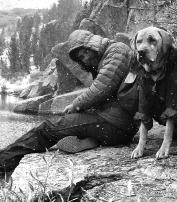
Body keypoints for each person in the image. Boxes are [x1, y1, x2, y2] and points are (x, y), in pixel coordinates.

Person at [0, 30, 139, 175]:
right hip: (117, 124)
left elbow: (101, 88)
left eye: (84, 54)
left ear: (91, 45)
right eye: (80, 58)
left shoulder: (117, 51)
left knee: (48, 128)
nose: (84, 60)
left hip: (116, 125)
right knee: (65, 124)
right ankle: (89, 140)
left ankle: (3, 162)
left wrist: (76, 105)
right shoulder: (108, 55)